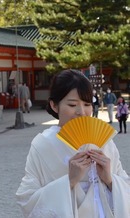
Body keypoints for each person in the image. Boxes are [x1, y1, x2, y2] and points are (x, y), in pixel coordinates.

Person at [16, 69, 130, 218]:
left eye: (87, 104)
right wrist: (69, 181)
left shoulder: (105, 142)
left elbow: (125, 185)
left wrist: (110, 180)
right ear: (54, 105)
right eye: (72, 105)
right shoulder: (43, 145)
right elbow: (26, 200)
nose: (81, 112)